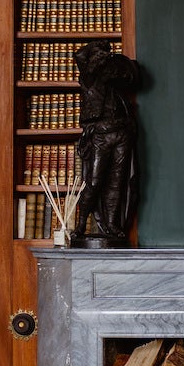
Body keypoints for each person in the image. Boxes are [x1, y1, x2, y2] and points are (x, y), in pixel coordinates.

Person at [72, 40, 146, 246]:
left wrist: (112, 61)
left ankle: (113, 224)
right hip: (101, 135)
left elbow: (132, 75)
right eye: (101, 61)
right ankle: (80, 223)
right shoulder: (88, 79)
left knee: (117, 180)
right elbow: (79, 55)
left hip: (121, 132)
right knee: (94, 181)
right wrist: (100, 46)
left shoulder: (116, 85)